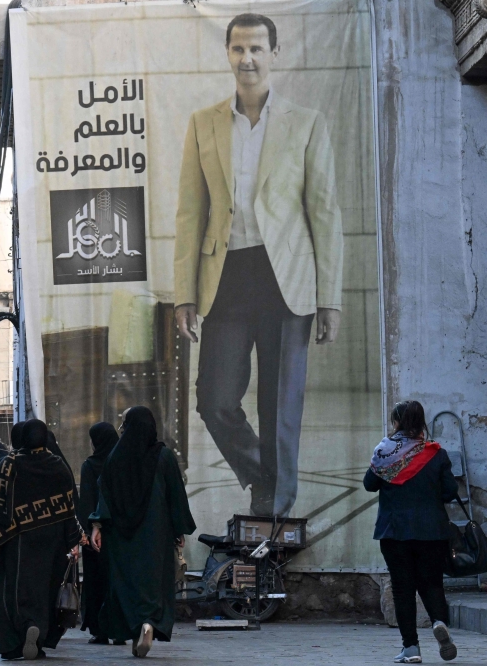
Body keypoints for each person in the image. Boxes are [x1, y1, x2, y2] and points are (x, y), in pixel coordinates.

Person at [173, 12, 344, 517]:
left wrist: (328, 298)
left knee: (278, 406)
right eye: (238, 49)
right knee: (214, 400)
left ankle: (276, 502)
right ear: (227, 54)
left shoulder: (305, 123)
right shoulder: (203, 123)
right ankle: (261, 475)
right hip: (224, 278)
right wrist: (184, 292)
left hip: (286, 277)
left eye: (257, 49)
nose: (247, 59)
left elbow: (325, 214)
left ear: (274, 55)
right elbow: (190, 213)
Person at [0, 419, 85, 661]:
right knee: (46, 588)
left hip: (17, 539)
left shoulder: (9, 464)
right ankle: (39, 635)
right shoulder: (58, 465)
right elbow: (69, 507)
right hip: (53, 540)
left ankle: (21, 632)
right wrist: (73, 540)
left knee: (14, 588)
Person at [90, 407, 195, 658]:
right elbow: (175, 496)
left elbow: (104, 492)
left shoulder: (116, 457)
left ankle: (137, 626)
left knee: (126, 581)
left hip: (121, 535)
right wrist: (179, 529)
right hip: (156, 533)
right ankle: (149, 622)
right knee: (153, 581)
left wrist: (97, 525)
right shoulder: (164, 457)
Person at [364, 400, 458, 663]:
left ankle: (411, 649)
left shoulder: (385, 451)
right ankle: (439, 621)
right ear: (420, 423)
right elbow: (451, 491)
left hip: (395, 532)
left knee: (403, 589)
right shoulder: (436, 453)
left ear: (397, 422)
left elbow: (369, 485)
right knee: (431, 583)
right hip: (432, 531)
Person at [78, 422, 119, 645]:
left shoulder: (90, 466)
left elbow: (86, 502)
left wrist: (88, 531)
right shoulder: (124, 463)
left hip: (96, 536)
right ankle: (121, 629)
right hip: (120, 534)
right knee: (118, 581)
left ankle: (100, 629)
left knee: (97, 582)